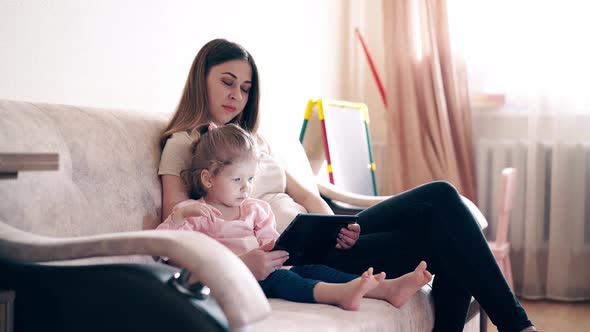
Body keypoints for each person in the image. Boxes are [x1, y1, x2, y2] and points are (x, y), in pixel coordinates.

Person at [158, 38, 538, 331]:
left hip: (317, 238)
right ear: (200, 78)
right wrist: (244, 262)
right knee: (441, 206)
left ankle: (516, 325)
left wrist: (337, 229)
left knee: (443, 214)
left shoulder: (251, 140)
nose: (236, 96)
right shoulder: (183, 143)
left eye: (244, 88)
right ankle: (518, 325)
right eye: (227, 82)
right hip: (288, 258)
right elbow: (177, 235)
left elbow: (306, 194)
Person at [157, 122, 433, 310]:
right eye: (237, 179)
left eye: (251, 178)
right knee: (280, 279)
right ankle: (340, 295)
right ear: (207, 178)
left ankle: (386, 288)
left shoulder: (256, 210)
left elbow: (274, 245)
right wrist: (180, 216)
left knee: (310, 270)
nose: (246, 186)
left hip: (266, 270)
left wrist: (282, 250)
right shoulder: (196, 213)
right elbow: (161, 250)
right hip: (233, 281)